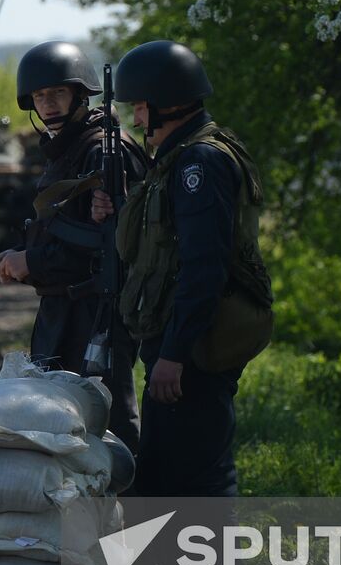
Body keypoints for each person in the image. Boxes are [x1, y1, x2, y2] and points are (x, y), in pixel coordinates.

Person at [91, 40, 273, 497]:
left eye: (139, 106)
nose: (135, 118)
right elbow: (162, 243)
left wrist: (174, 352)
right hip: (184, 342)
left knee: (199, 479)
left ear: (163, 103)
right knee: (166, 472)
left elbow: (203, 267)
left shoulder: (199, 162)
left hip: (193, 350)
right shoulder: (181, 156)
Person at [0, 41, 148, 450]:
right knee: (58, 417)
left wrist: (31, 262)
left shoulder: (101, 149)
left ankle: (135, 507)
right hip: (63, 307)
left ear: (80, 94)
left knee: (109, 419)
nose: (48, 104)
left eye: (58, 93)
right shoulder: (67, 145)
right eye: (40, 96)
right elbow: (64, 228)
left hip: (96, 308)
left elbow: (103, 247)